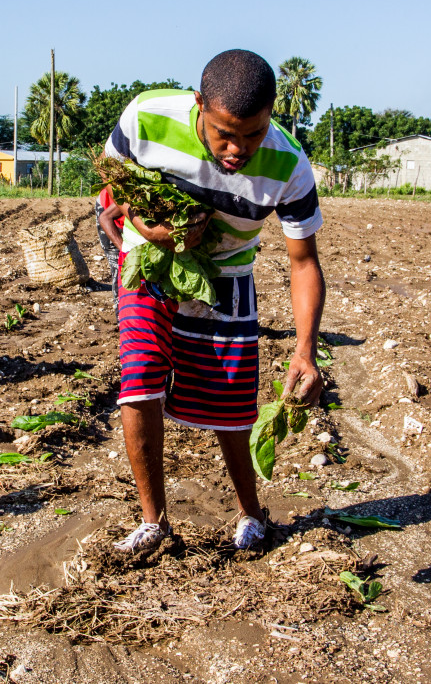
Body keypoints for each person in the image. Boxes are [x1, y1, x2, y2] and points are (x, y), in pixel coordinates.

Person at [103, 50, 325, 553]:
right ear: (199, 103)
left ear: (271, 115)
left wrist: (305, 350)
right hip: (150, 264)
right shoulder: (146, 116)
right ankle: (154, 523)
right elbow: (113, 183)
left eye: (253, 133)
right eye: (225, 132)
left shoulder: (289, 164)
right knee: (139, 377)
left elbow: (304, 262)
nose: (237, 148)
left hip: (227, 275)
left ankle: (251, 512)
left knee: (230, 403)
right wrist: (146, 228)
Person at [94, 185, 125, 285]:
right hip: (108, 211)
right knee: (119, 266)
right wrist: (124, 251)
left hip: (133, 223)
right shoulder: (134, 197)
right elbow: (105, 218)